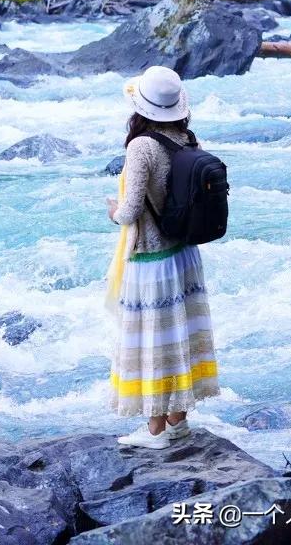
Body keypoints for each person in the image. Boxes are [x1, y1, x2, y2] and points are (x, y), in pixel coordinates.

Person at [105, 64, 220, 449]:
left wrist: (112, 210)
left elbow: (131, 209)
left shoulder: (142, 147)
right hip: (184, 255)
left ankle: (155, 431)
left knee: (153, 344)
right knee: (178, 338)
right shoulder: (186, 138)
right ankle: (178, 422)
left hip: (152, 262)